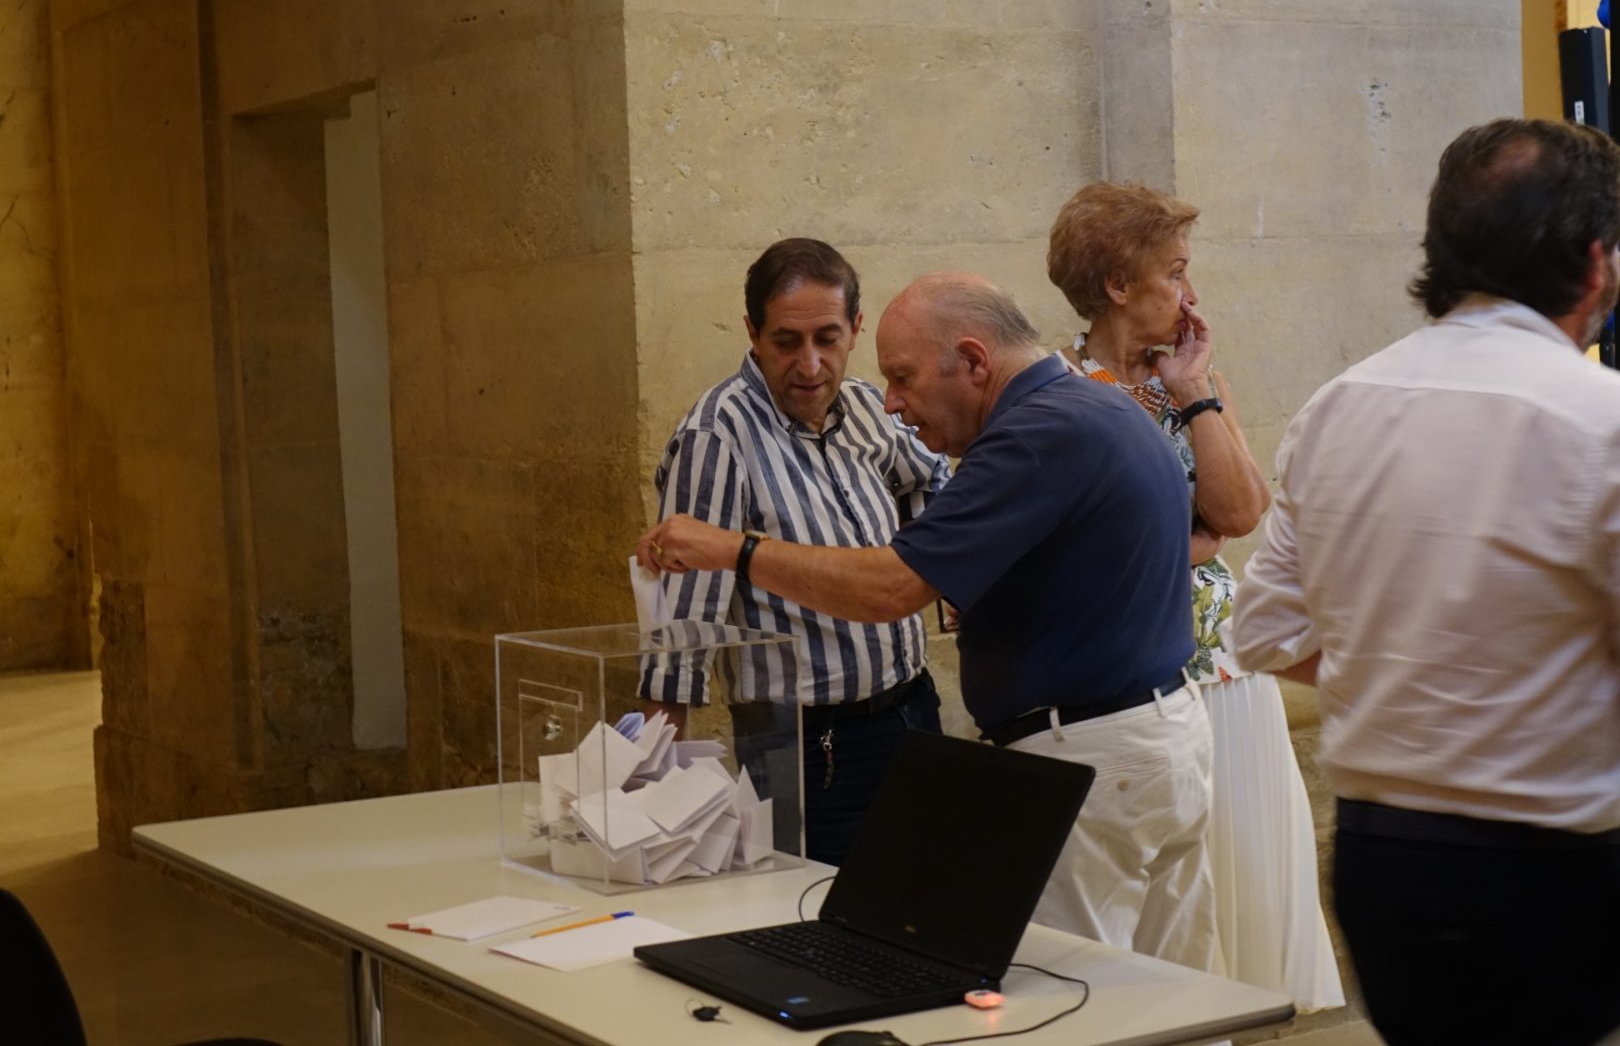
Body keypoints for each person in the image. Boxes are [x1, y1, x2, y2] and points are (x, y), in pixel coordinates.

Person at [640, 272, 1220, 972]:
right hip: (1155, 736)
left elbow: (890, 588)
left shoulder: (1031, 436)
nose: (891, 401)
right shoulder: (1096, 402)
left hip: (1090, 760)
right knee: (1170, 984)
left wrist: (737, 549)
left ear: (973, 360)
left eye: (903, 377)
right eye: (787, 340)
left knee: (1066, 986)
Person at [1233, 118, 1620, 1046]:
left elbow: (1267, 631)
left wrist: (1411, 681)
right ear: (1595, 262)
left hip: (1385, 861)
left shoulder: (1339, 406)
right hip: (1554, 867)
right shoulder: (1598, 419)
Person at [1047, 183, 1343, 1009]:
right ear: (1118, 284)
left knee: (1242, 880)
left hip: (1226, 669)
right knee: (1166, 914)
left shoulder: (1190, 376)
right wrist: (1184, 536)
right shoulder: (1060, 392)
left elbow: (1240, 513)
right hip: (1133, 677)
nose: (1191, 293)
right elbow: (1084, 546)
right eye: (1174, 273)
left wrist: (1193, 390)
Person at [642, 237, 951, 868]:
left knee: (922, 895)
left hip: (912, 709)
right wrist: (653, 778)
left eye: (827, 339)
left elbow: (930, 477)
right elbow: (684, 623)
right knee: (812, 910)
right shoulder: (716, 436)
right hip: (804, 742)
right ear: (753, 333)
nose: (809, 365)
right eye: (786, 342)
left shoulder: (867, 407)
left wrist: (933, 574)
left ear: (855, 329)